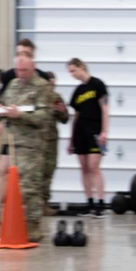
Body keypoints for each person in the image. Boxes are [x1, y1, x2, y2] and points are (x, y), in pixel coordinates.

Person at [0, 41, 52, 226]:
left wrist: (20, 114)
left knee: (29, 188)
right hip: (14, 141)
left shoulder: (42, 85)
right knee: (6, 175)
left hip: (33, 146)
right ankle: (2, 215)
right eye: (17, 69)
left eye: (23, 70)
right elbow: (2, 104)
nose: (19, 73)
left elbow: (44, 116)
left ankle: (31, 228)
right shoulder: (12, 83)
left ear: (33, 64)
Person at [67, 58, 109, 218]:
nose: (72, 74)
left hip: (95, 130)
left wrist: (105, 131)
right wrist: (71, 139)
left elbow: (104, 109)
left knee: (94, 167)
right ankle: (89, 202)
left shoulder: (98, 84)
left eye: (73, 70)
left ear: (81, 67)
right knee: (84, 168)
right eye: (70, 72)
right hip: (80, 132)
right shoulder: (78, 91)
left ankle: (101, 204)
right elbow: (76, 115)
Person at [41, 71, 70, 216]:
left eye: (53, 83)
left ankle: (44, 204)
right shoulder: (36, 96)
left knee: (48, 172)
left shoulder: (56, 98)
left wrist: (62, 111)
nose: (51, 86)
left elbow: (65, 119)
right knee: (34, 173)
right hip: (36, 140)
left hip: (51, 140)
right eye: (49, 83)